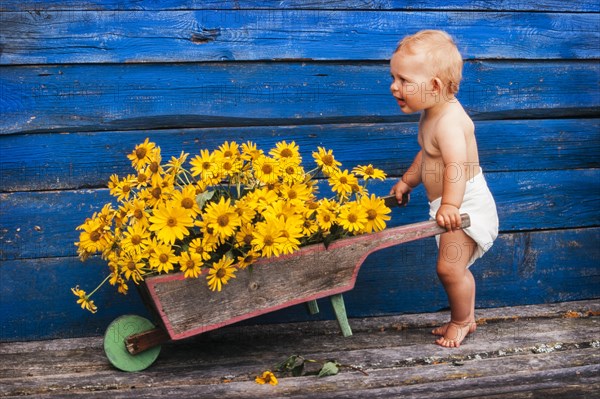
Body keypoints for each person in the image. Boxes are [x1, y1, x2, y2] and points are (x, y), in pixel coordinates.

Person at [388, 30, 499, 348]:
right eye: (393, 77)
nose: (395, 86)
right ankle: (462, 317)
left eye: (404, 80)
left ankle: (463, 321)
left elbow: (456, 165)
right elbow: (427, 155)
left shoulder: (451, 121)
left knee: (449, 268)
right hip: (450, 204)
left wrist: (451, 204)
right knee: (452, 268)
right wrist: (409, 180)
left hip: (465, 204)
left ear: (434, 86)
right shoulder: (431, 114)